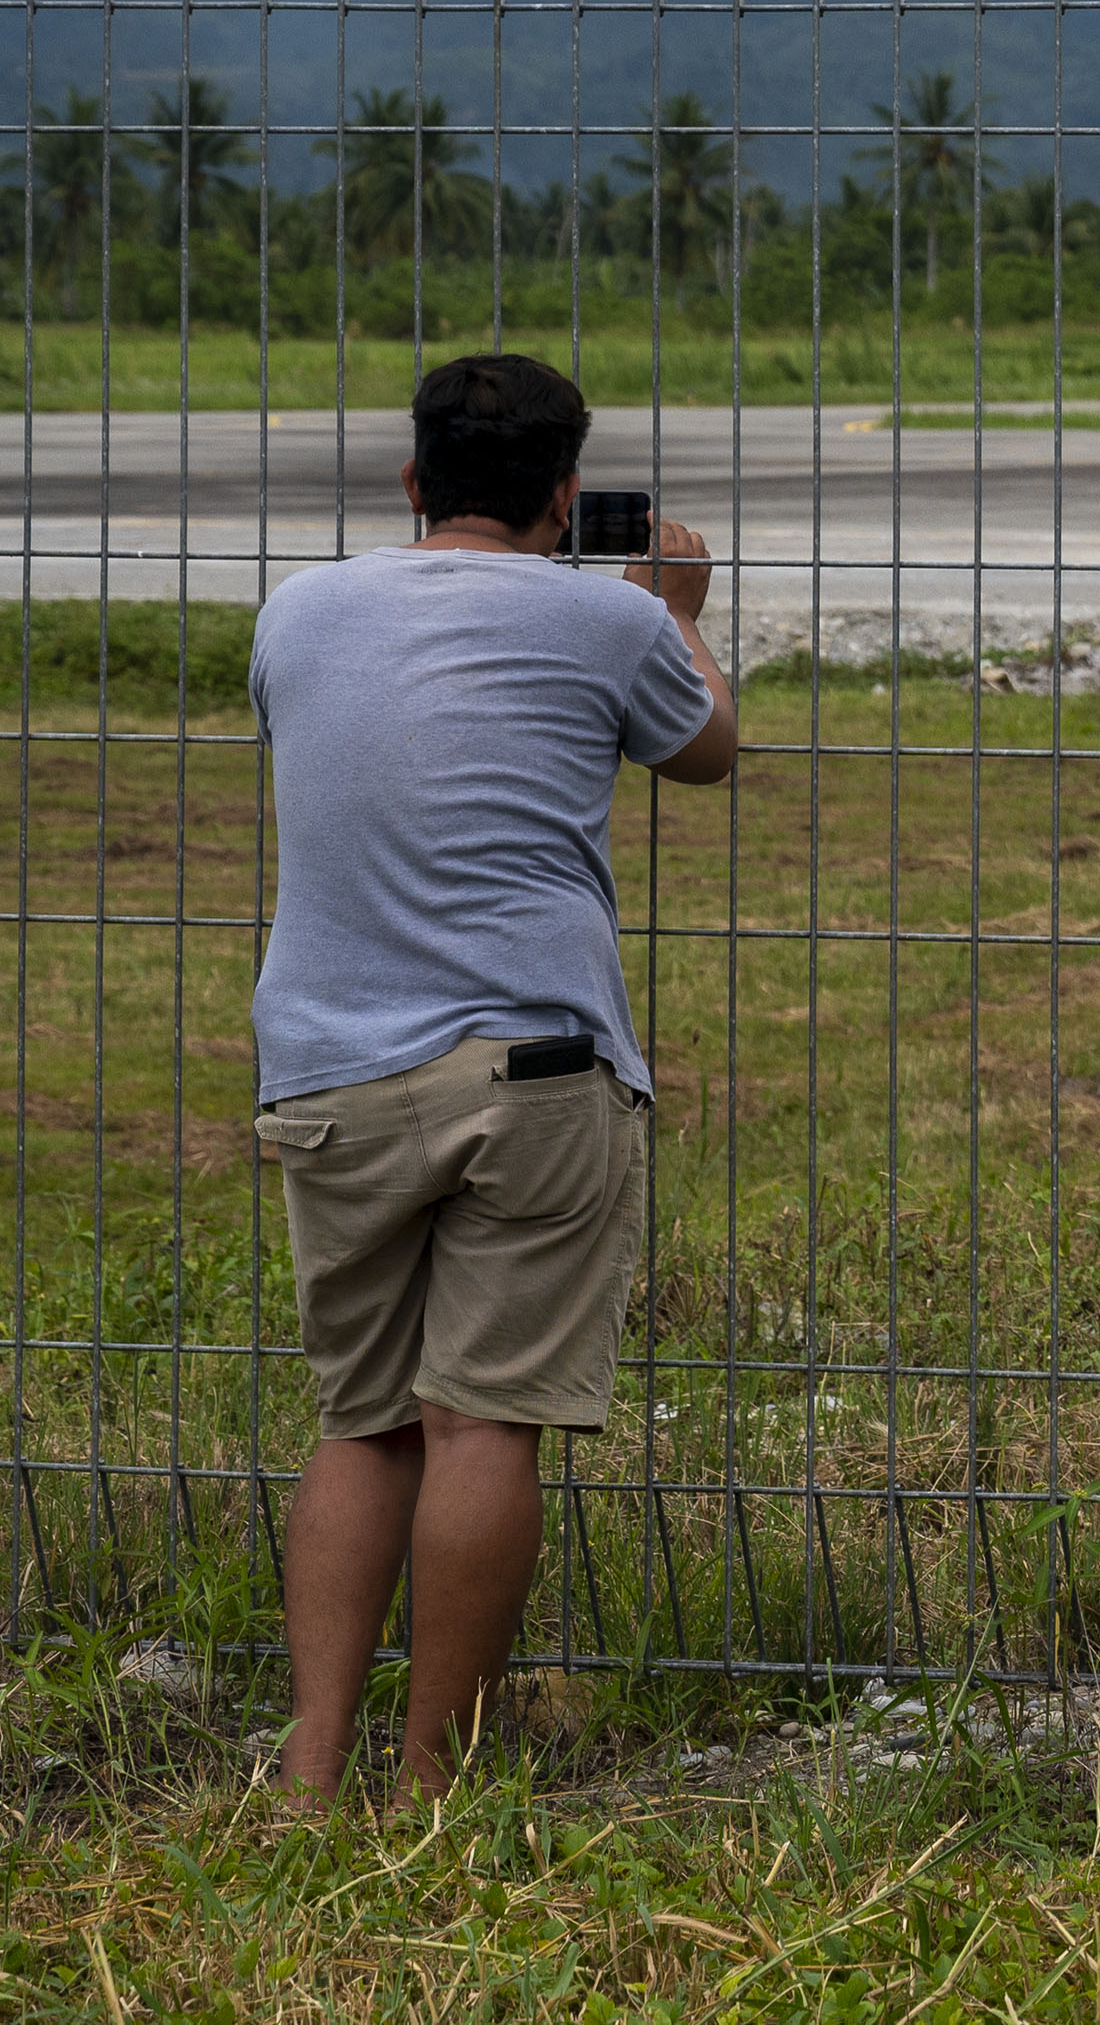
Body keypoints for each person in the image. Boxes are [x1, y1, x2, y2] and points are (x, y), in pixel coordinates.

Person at [250, 353, 737, 1799]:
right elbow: (710, 750)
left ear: (414, 480)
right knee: (482, 1423)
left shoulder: (298, 609)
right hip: (533, 1070)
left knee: (365, 1424)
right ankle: (430, 1782)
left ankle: (310, 1772)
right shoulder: (608, 618)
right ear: (567, 496)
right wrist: (679, 613)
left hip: (330, 1070)